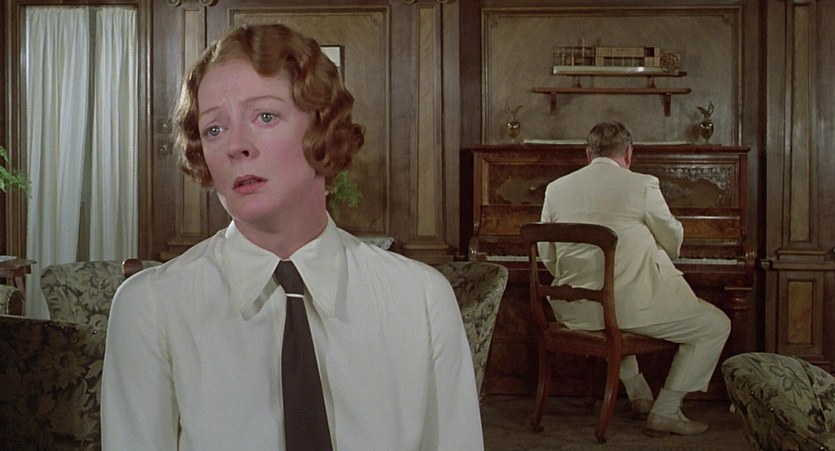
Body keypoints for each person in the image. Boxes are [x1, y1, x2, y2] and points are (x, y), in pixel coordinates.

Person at [101, 23, 483, 450]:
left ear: (323, 128)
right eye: (214, 129)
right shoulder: (151, 308)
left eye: (265, 116)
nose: (235, 146)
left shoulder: (421, 300)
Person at [538, 121, 731, 436]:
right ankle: (666, 410)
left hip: (575, 311)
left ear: (588, 154)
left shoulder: (556, 188)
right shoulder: (643, 185)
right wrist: (652, 245)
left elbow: (547, 254)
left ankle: (639, 393)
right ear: (629, 153)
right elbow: (672, 238)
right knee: (715, 325)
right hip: (627, 310)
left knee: (615, 315)